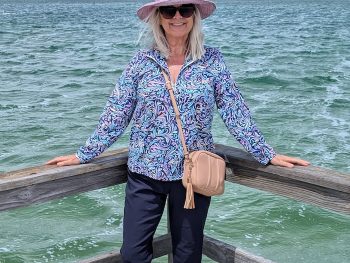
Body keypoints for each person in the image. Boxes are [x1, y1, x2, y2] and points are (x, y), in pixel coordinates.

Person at [47, 0, 310, 262]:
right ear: (158, 17)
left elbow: (235, 112)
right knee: (132, 254)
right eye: (168, 10)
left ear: (194, 16)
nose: (177, 16)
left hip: (193, 176)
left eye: (185, 9)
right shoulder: (142, 62)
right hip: (144, 173)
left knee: (187, 254)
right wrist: (85, 154)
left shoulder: (212, 61)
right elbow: (117, 113)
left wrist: (266, 154)